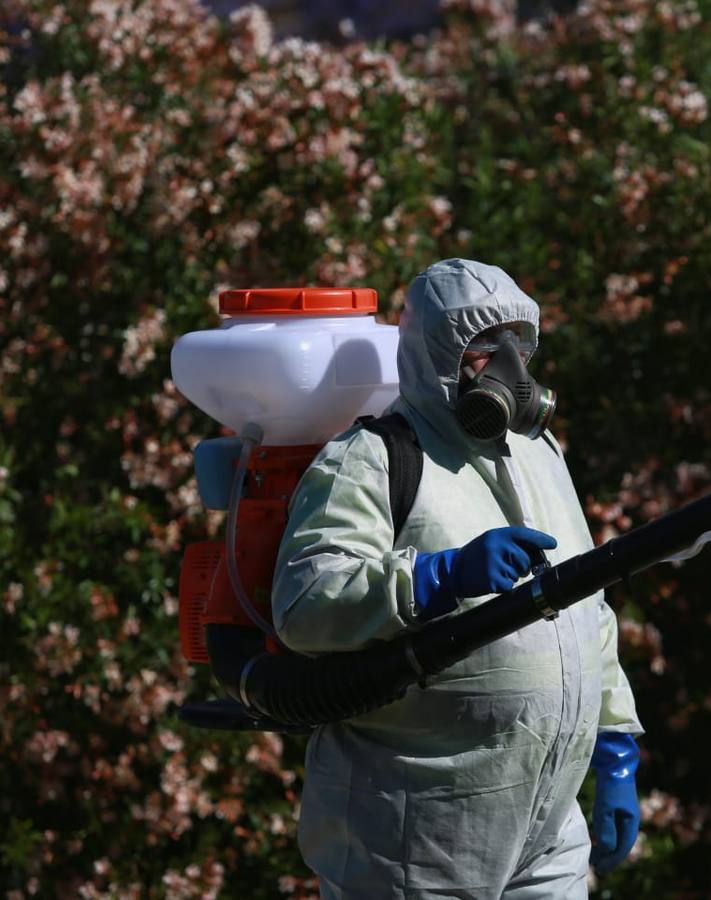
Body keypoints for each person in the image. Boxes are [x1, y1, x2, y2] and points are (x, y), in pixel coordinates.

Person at [271, 258, 645, 898]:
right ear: (434, 352)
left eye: (518, 343)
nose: (509, 366)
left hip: (547, 824)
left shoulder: (542, 454)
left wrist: (615, 747)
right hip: (416, 831)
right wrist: (436, 576)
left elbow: (591, 611)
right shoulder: (373, 458)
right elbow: (305, 601)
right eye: (482, 347)